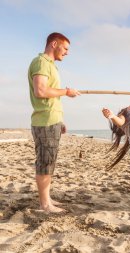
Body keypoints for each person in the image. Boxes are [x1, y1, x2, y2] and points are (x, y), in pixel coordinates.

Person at [28, 32, 80, 213]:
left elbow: (51, 97)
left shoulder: (51, 66)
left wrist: (60, 120)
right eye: (65, 48)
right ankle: (44, 205)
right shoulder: (41, 62)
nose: (67, 52)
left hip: (53, 120)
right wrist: (66, 92)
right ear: (54, 44)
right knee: (45, 161)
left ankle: (47, 199)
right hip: (45, 121)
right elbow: (41, 91)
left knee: (49, 161)